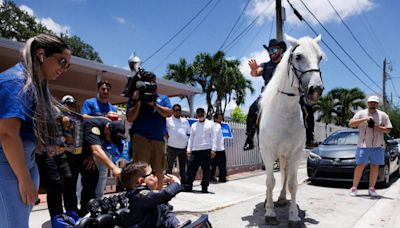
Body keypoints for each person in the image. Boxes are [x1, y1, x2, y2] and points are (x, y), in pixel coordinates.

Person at [0, 33, 71, 227]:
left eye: (68, 65)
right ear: (41, 54)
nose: (64, 69)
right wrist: (24, 179)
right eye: (62, 61)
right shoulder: (15, 81)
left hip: (23, 161)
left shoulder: (35, 86)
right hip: (8, 165)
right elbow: (7, 134)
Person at [35, 95, 82, 218]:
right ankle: (57, 217)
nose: (70, 107)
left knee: (69, 182)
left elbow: (73, 140)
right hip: (50, 155)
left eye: (72, 105)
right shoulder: (54, 116)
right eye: (67, 104)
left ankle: (71, 211)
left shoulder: (76, 119)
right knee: (54, 185)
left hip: (67, 157)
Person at [126, 71, 172, 190]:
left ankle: (160, 198)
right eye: (148, 82)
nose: (152, 85)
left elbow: (169, 113)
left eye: (153, 82)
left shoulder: (163, 98)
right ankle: (140, 198)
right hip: (141, 137)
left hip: (158, 139)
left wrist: (154, 105)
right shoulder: (136, 97)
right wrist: (138, 102)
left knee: (159, 170)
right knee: (140, 170)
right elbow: (130, 117)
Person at [243, 39, 287, 150]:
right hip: (267, 94)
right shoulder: (265, 65)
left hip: (285, 93)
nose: (272, 52)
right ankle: (249, 139)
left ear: (281, 50)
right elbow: (256, 73)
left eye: (275, 49)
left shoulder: (287, 64)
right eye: (270, 50)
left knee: (304, 105)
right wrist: (253, 70)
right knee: (253, 108)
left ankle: (309, 136)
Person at [78, 118, 125, 217]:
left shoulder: (109, 125)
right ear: (107, 129)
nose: (111, 140)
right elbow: (96, 149)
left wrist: (89, 156)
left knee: (92, 175)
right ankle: (73, 211)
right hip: (72, 149)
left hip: (85, 149)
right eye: (111, 137)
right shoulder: (94, 126)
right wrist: (114, 168)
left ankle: (86, 210)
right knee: (71, 180)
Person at [348, 95, 392, 197]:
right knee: (360, 165)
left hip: (378, 145)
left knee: (375, 166)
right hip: (363, 145)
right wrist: (365, 119)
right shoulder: (360, 113)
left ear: (377, 104)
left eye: (374, 102)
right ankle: (354, 188)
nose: (372, 104)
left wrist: (376, 126)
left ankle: (371, 188)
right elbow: (351, 124)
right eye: (371, 102)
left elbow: (388, 129)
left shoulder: (383, 115)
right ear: (367, 103)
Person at [81, 80, 118, 198]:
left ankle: (99, 198)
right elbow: (84, 117)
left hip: (106, 144)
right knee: (86, 172)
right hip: (90, 144)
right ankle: (80, 198)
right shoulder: (90, 103)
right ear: (98, 90)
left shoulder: (112, 107)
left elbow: (114, 125)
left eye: (107, 89)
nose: (105, 91)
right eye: (103, 89)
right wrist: (102, 118)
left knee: (103, 173)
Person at [120, 161, 185, 228]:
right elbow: (165, 194)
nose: (156, 175)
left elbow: (165, 213)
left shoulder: (151, 197)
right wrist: (176, 184)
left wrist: (175, 224)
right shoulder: (137, 196)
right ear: (141, 181)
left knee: (164, 208)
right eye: (153, 174)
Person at [184, 108, 216, 193]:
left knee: (206, 171)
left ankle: (204, 187)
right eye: (198, 113)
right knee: (191, 170)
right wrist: (188, 149)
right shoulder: (194, 125)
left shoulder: (210, 124)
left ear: (205, 113)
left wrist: (213, 149)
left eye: (202, 113)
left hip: (206, 150)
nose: (200, 114)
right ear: (196, 114)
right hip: (195, 151)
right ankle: (188, 186)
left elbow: (213, 137)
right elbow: (191, 138)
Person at [165, 104, 191, 184]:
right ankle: (169, 182)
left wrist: (188, 146)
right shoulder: (168, 120)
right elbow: (164, 130)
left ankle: (184, 182)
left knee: (183, 167)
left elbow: (189, 133)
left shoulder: (185, 121)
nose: (178, 111)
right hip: (171, 147)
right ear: (173, 111)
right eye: (176, 110)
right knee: (169, 166)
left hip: (183, 147)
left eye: (179, 110)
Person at [210, 113, 227, 183]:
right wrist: (214, 148)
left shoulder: (216, 125)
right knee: (221, 165)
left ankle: (211, 177)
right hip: (218, 149)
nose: (221, 120)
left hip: (216, 148)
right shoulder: (217, 126)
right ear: (215, 119)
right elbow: (214, 137)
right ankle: (222, 178)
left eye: (221, 118)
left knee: (213, 165)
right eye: (219, 118)